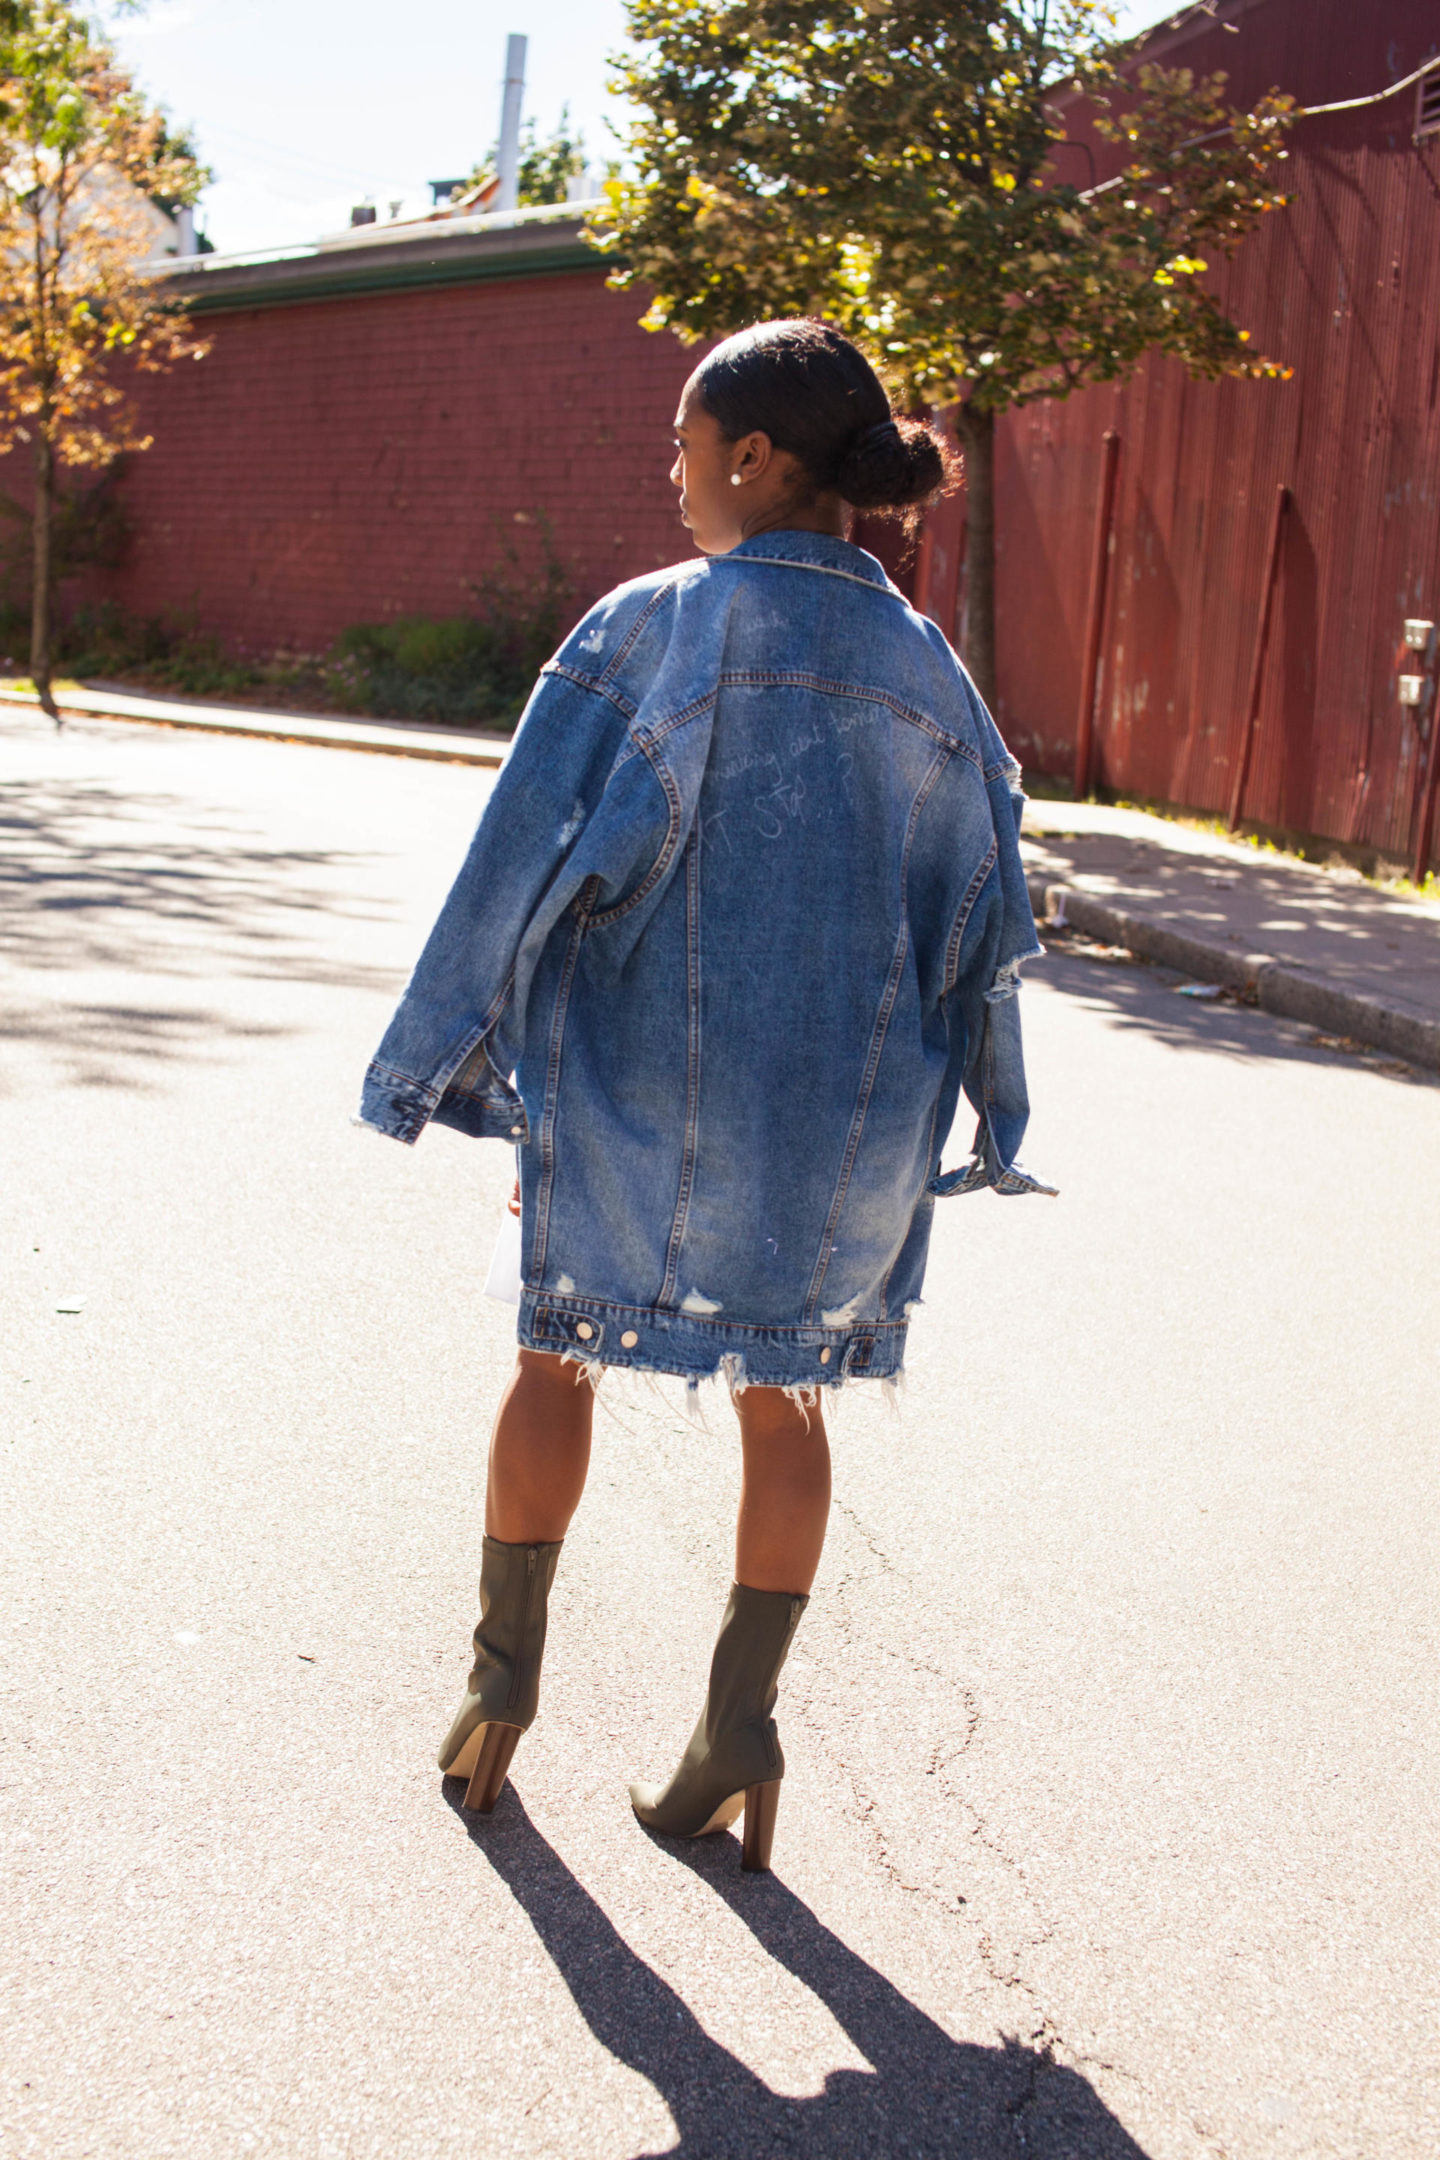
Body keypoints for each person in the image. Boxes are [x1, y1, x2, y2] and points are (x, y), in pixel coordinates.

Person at [358, 319, 1052, 1872]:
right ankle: (739, 1726)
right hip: (851, 1121)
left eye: (683, 441)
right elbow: (984, 932)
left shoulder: (646, 627)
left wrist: (434, 1060)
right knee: (787, 1393)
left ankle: (497, 1688)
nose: (667, 469)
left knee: (555, 1359)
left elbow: (517, 860)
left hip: (632, 1089)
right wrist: (992, 1118)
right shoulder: (937, 675)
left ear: (753, 458)